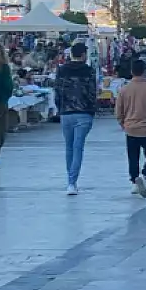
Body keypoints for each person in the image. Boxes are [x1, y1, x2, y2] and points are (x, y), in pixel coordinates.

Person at [52, 41, 97, 195]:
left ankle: (71, 182)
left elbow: (57, 91)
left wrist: (60, 109)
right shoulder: (89, 71)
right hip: (84, 112)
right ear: (83, 55)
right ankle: (72, 182)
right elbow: (92, 93)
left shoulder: (61, 70)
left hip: (66, 113)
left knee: (69, 147)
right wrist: (92, 111)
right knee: (78, 147)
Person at [115, 57, 146, 198]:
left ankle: (134, 181)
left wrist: (123, 124)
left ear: (131, 71)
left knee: (133, 157)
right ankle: (144, 175)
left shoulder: (124, 89)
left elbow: (118, 111)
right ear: (144, 71)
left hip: (131, 128)